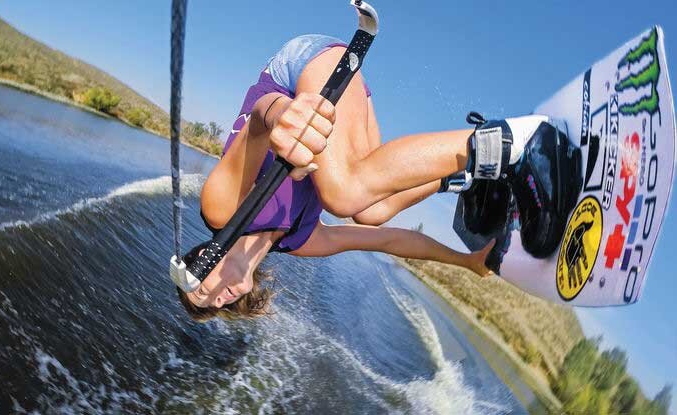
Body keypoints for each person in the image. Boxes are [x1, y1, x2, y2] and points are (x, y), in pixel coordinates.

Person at [176, 34, 550, 321]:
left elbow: (259, 118)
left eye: (202, 290)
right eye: (215, 306)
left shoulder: (221, 211)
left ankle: (514, 142)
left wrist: (283, 115)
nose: (217, 299)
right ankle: (466, 175)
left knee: (343, 195)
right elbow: (388, 241)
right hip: (345, 104)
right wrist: (465, 261)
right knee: (372, 213)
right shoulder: (300, 241)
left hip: (300, 68)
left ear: (204, 257)